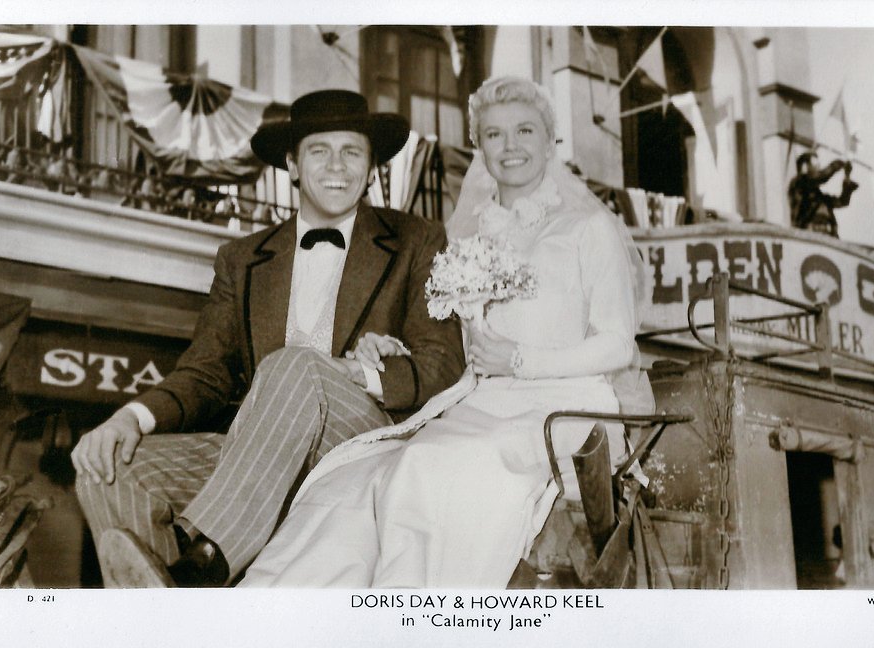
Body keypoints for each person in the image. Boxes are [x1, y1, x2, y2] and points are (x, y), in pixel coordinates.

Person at [240, 77, 651, 588]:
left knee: (436, 468)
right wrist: (394, 347)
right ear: (479, 146)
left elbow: (616, 343)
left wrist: (520, 362)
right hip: (479, 404)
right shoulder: (467, 235)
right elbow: (455, 340)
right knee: (370, 473)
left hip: (566, 405)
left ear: (551, 142)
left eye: (525, 131)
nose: (511, 147)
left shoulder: (588, 227)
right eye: (495, 135)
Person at [70, 90, 465, 587]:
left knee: (293, 363)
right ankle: (161, 620)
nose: (337, 166)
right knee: (106, 467)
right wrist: (128, 417)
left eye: (353, 152)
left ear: (371, 170)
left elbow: (443, 360)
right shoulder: (242, 258)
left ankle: (204, 568)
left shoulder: (417, 240)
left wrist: (361, 372)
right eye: (320, 151)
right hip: (259, 453)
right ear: (293, 165)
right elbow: (205, 371)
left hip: (360, 442)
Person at [788, 151, 859, 238]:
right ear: (805, 167)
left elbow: (842, 202)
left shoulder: (821, 198)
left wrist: (847, 177)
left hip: (828, 237)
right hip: (808, 235)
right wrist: (840, 162)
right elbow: (821, 177)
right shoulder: (798, 184)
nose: (818, 167)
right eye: (815, 164)